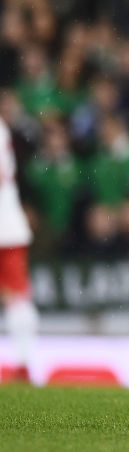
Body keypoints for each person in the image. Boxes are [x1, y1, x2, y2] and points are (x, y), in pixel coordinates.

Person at [0, 113, 39, 383]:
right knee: (16, 296)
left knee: (15, 296)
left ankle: (24, 365)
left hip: (5, 221)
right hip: (8, 222)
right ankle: (24, 363)